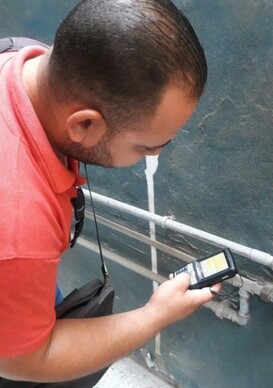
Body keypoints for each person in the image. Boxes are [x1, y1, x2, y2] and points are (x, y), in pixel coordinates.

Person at [0, 0, 220, 383]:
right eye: (147, 146)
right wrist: (155, 315)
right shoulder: (19, 227)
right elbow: (22, 361)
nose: (155, 156)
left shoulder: (21, 56)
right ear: (83, 125)